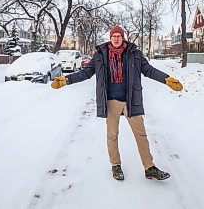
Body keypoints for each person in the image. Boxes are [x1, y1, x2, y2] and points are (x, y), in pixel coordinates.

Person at [51, 25, 183, 181]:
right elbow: (86, 73)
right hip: (111, 100)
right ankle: (116, 165)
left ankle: (149, 167)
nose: (116, 38)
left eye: (119, 36)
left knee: (141, 134)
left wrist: (166, 79)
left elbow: (149, 70)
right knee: (112, 135)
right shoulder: (101, 54)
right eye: (113, 36)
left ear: (123, 37)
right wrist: (66, 80)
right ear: (110, 37)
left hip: (131, 99)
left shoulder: (134, 53)